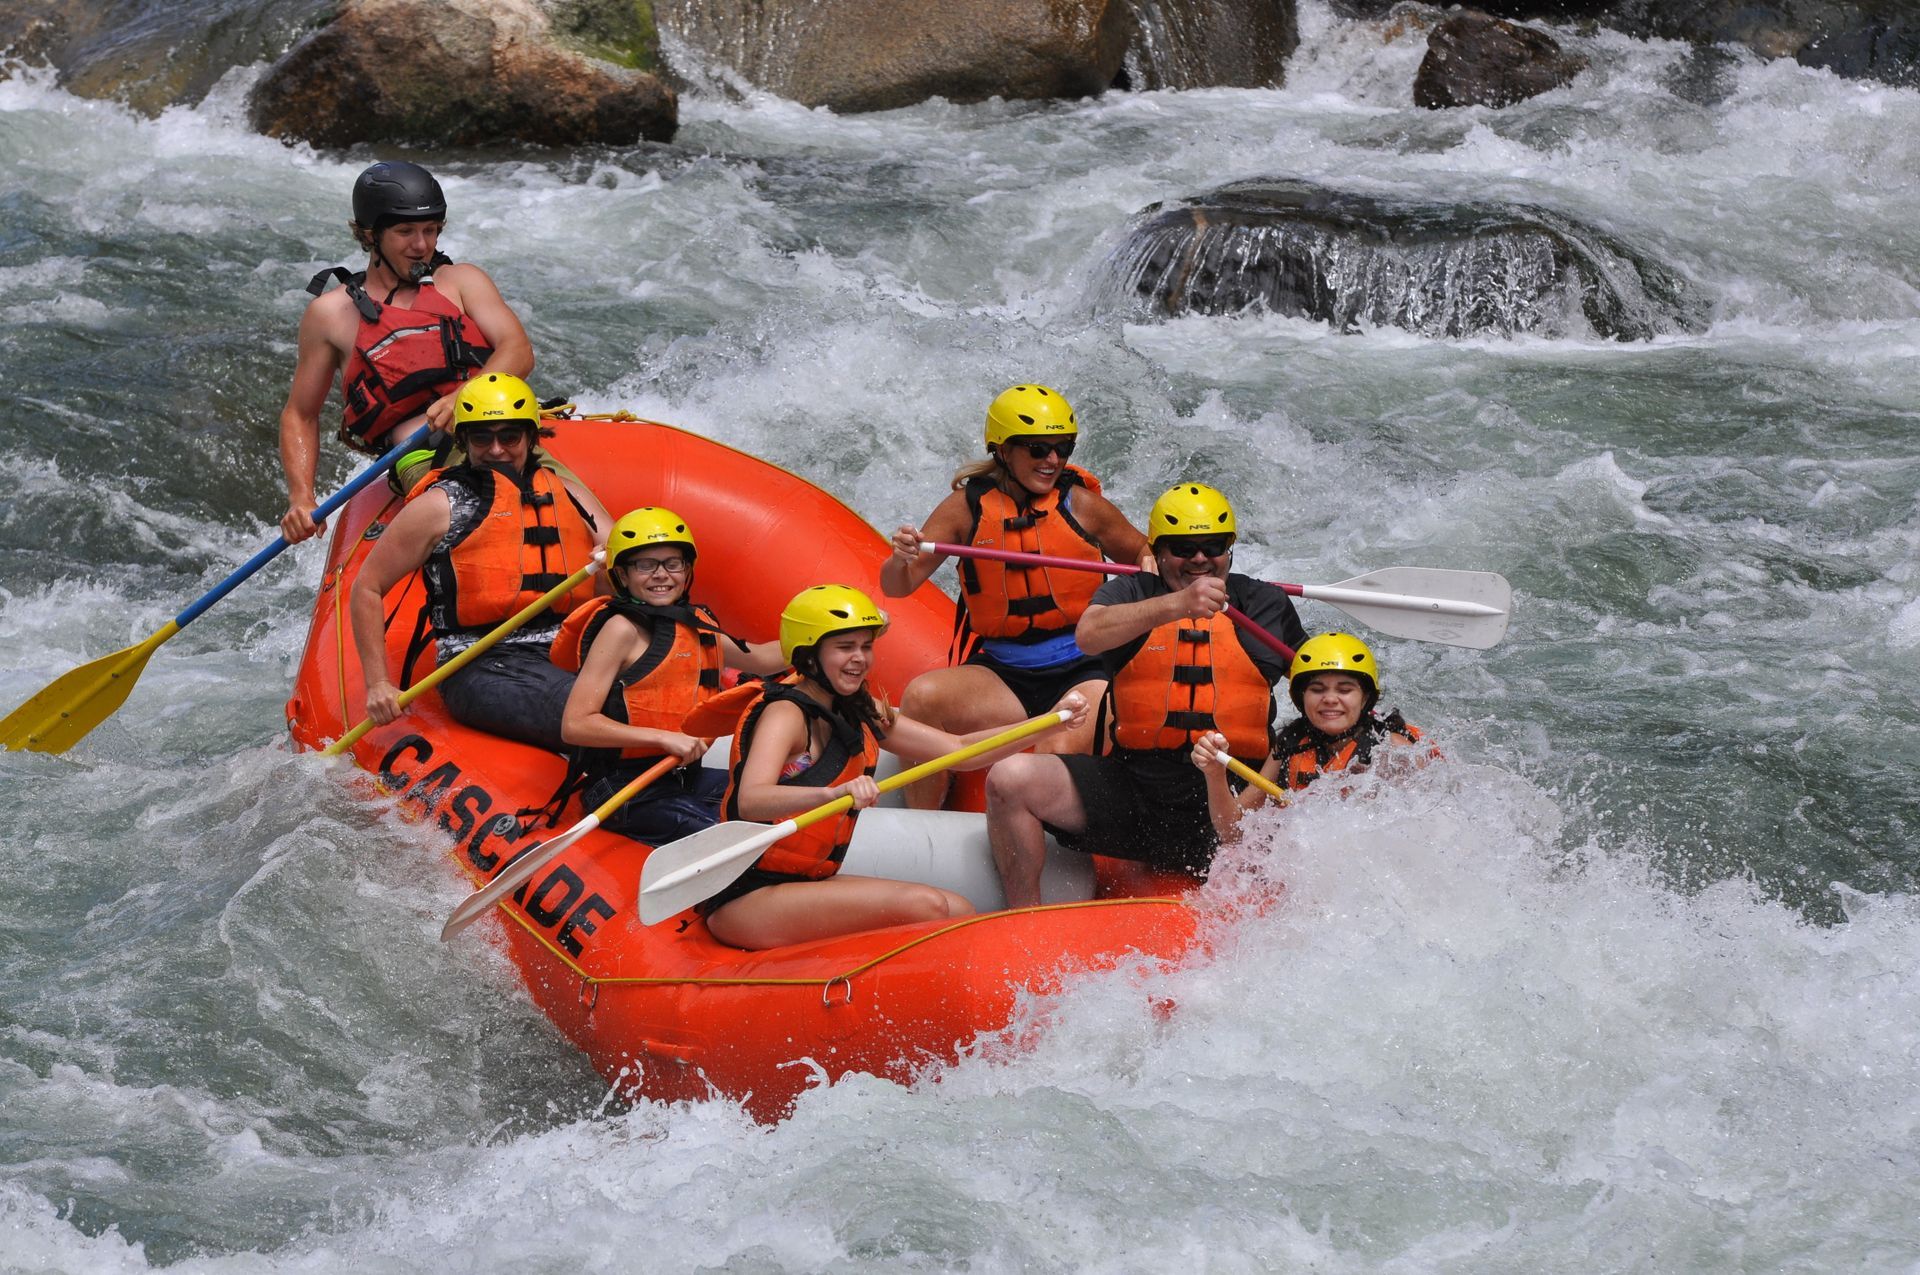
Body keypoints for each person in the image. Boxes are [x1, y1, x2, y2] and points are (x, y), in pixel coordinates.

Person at [687, 584, 1088, 950]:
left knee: (958, 909)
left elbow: (959, 749)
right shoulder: (785, 713)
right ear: (809, 654)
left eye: (866, 646)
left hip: (804, 882)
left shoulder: (860, 709)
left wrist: (1048, 721)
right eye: (844, 647)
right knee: (927, 906)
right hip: (747, 893)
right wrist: (834, 793)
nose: (860, 659)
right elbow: (752, 799)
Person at [985, 483, 1307, 907]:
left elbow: (1315, 686)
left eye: (1212, 546)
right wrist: (1177, 604)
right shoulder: (1131, 594)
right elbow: (1089, 635)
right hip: (1137, 795)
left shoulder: (1264, 603)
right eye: (1182, 548)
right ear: (1158, 551)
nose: (1198, 559)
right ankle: (1021, 915)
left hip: (1231, 801)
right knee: (1009, 778)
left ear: (1229, 548)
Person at [882, 384, 1148, 808]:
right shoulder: (964, 508)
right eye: (1039, 449)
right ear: (1003, 451)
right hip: (1005, 673)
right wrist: (900, 558)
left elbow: (1142, 550)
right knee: (921, 698)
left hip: (1086, 669)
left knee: (1056, 749)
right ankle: (924, 829)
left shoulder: (1081, 504)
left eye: (1064, 448)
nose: (1053, 460)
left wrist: (1148, 573)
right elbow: (897, 586)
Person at [347, 373, 610, 750]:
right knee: (602, 710)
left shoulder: (568, 493)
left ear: (531, 439)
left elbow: (624, 557)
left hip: (570, 647)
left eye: (510, 437)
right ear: (464, 442)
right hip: (483, 665)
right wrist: (377, 684)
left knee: (653, 691)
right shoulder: (438, 507)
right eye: (482, 438)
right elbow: (368, 587)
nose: (497, 449)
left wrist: (616, 563)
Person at [280, 160, 534, 544]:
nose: (421, 245)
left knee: (568, 498)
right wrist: (301, 497)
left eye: (431, 230)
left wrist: (465, 395)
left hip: (505, 431)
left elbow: (518, 350)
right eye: (405, 232)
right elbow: (301, 414)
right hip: (425, 456)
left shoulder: (461, 281)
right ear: (370, 235)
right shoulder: (330, 315)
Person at [549, 506, 787, 843]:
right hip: (624, 789)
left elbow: (761, 658)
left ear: (686, 570)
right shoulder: (621, 630)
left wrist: (829, 636)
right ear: (624, 575)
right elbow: (576, 724)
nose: (661, 574)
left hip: (681, 778)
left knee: (778, 808)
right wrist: (661, 738)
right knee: (732, 840)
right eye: (645, 565)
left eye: (672, 564)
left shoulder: (695, 623)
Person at [1190, 632, 1433, 843]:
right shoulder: (1291, 744)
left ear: (1365, 698)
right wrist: (1215, 775)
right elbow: (1233, 834)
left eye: (1345, 689)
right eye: (1317, 690)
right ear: (1301, 697)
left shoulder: (1391, 751)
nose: (1329, 698)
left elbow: (1426, 835)